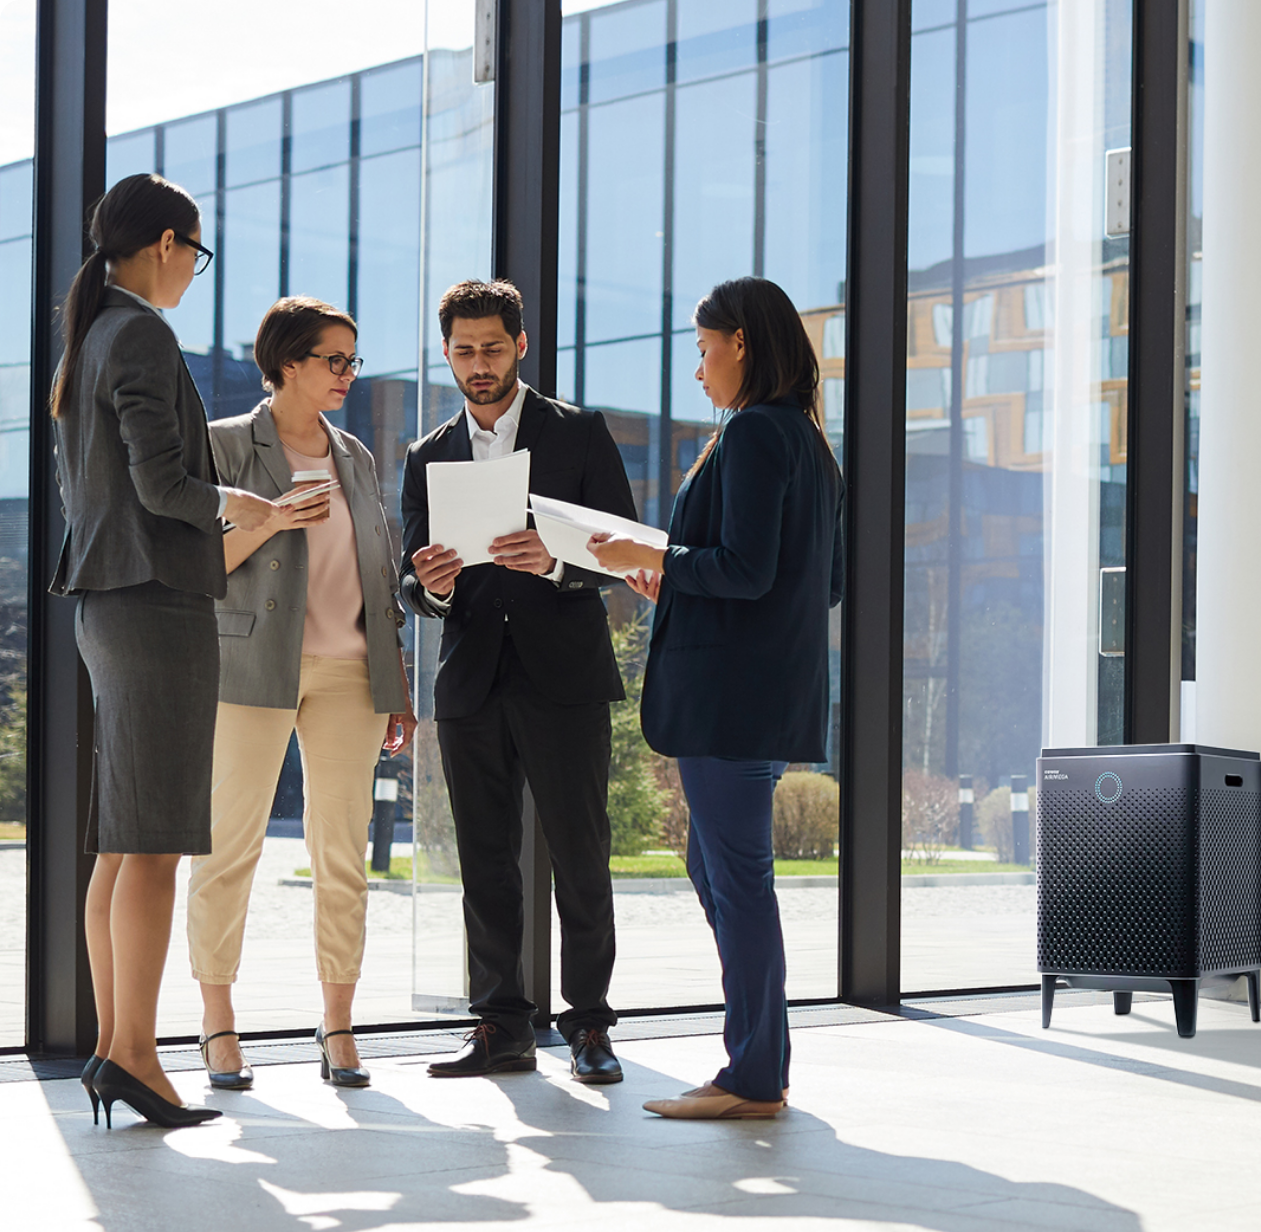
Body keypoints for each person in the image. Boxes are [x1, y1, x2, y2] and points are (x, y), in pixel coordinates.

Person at [48, 173, 277, 1128]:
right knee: (153, 847)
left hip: (111, 602)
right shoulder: (138, 330)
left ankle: (115, 1049)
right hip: (154, 604)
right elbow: (161, 482)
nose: (194, 271)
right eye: (196, 252)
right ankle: (136, 1055)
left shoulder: (92, 334)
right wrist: (241, 505)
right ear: (169, 244)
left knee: (121, 843)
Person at [591, 276, 844, 1119]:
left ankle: (754, 1076)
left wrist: (652, 554)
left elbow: (745, 570)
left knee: (738, 880)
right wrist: (680, 584)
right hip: (765, 695)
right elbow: (815, 585)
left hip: (733, 700)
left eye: (704, 351)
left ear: (740, 343)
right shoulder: (809, 444)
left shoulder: (755, 438)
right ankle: (756, 1059)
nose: (699, 371)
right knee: (719, 868)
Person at [400, 279, 636, 1083]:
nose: (478, 365)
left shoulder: (578, 433)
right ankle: (500, 1026)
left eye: (492, 348)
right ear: (446, 354)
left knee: (581, 856)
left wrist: (557, 559)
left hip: (563, 678)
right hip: (471, 685)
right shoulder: (426, 454)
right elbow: (412, 582)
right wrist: (428, 582)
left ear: (521, 345)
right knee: (484, 863)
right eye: (463, 351)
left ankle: (592, 1027)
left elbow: (620, 551)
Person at [186, 296, 417, 1090]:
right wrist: (272, 521)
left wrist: (397, 682)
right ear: (287, 362)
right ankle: (218, 1027)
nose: (349, 374)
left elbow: (378, 574)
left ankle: (340, 1027)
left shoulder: (353, 453)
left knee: (342, 853)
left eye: (353, 361)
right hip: (249, 669)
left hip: (352, 673)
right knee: (229, 849)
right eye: (335, 360)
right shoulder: (222, 446)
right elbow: (194, 567)